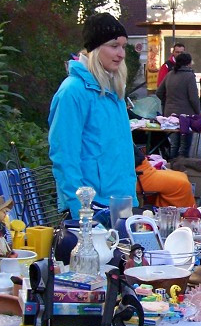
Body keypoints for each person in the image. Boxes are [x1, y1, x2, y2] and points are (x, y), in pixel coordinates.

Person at [48, 12, 138, 218]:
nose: (121, 54)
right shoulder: (73, 91)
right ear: (95, 49)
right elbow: (64, 155)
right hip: (92, 208)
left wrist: (131, 197)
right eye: (114, 46)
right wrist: (80, 208)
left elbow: (120, 151)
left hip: (121, 201)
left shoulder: (113, 91)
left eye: (123, 46)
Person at [156, 51, 201, 158]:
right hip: (186, 116)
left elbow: (158, 92)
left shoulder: (170, 74)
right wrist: (198, 113)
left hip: (170, 114)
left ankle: (172, 164)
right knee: (185, 144)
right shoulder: (189, 76)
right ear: (188, 63)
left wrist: (167, 101)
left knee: (174, 143)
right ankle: (183, 165)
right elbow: (193, 98)